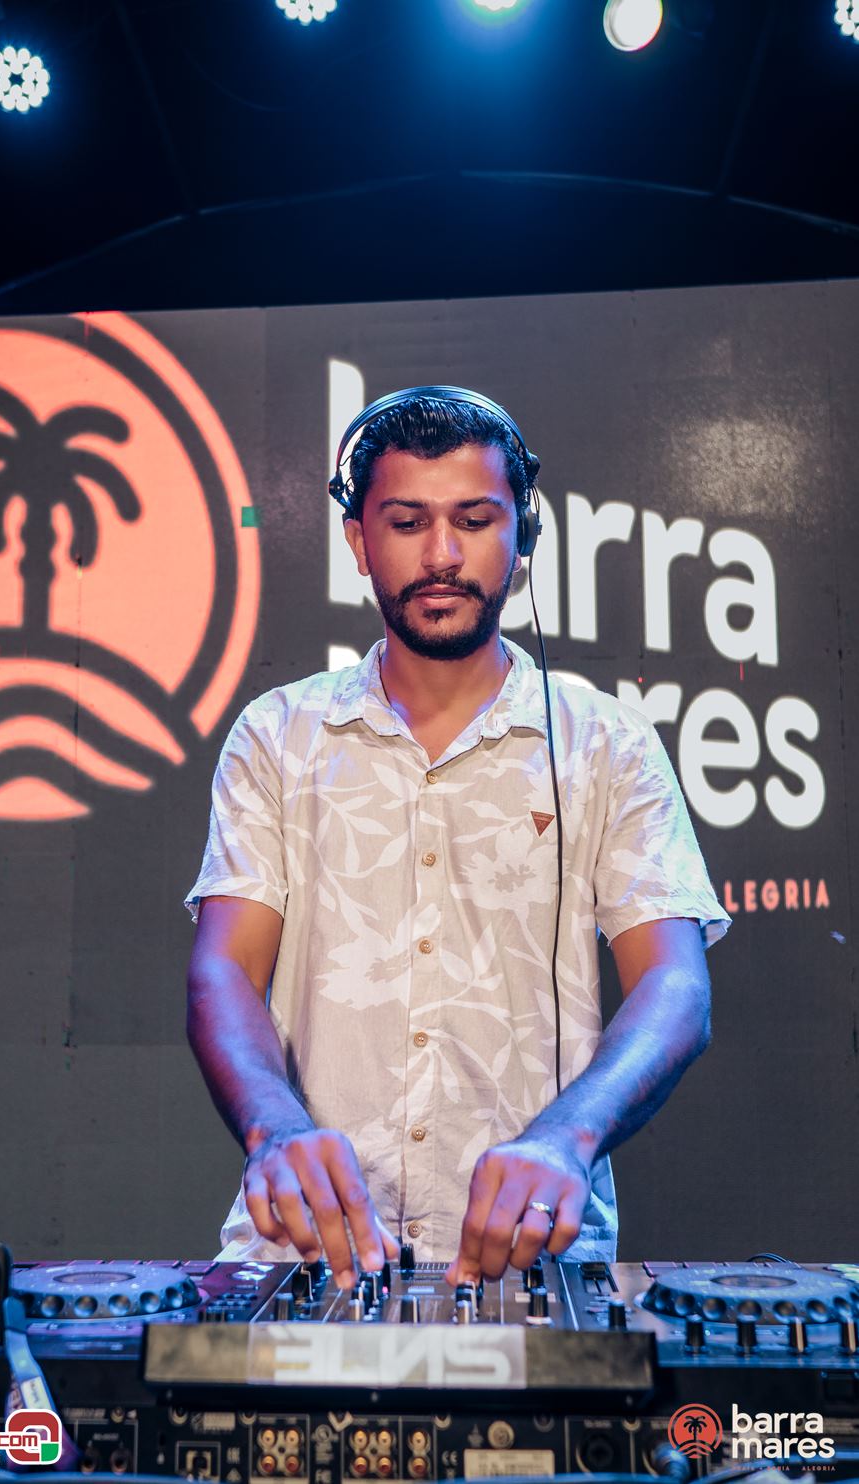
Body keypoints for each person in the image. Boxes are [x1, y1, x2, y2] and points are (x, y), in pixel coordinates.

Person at [184, 389, 729, 1290]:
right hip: (302, 1254)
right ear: (359, 542)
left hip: (531, 1259)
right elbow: (224, 972)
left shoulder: (606, 741)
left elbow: (674, 986)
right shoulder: (276, 735)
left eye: (474, 521)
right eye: (406, 524)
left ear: (523, 535)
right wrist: (271, 1129)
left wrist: (567, 1137)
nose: (441, 555)